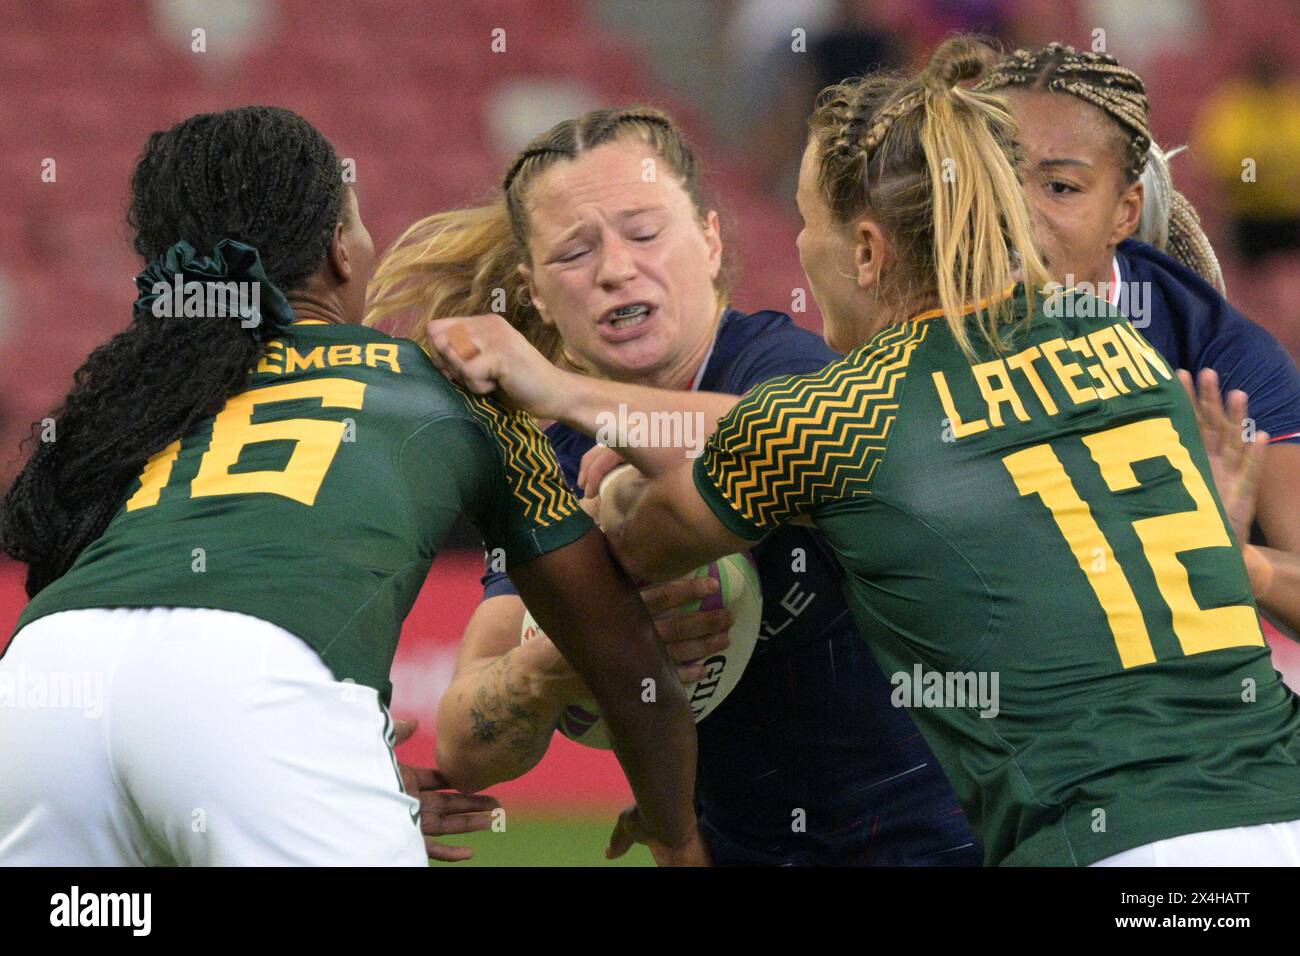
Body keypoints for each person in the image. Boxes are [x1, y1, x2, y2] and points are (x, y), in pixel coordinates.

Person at [426, 36, 1300, 867]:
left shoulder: (836, 404)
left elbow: (651, 537)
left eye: (807, 223)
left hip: (1105, 848)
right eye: (578, 251)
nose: (801, 250)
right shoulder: (1121, 358)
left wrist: (566, 414)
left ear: (868, 250)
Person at [0, 106, 702, 867]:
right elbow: (620, 652)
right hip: (256, 698)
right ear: (339, 249)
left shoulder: (149, 399)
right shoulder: (456, 389)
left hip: (39, 697)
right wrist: (676, 832)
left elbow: (156, 674)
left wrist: (313, 770)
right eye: (358, 226)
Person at [370, 106, 981, 865]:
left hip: (942, 844)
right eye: (574, 252)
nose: (616, 269)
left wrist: (567, 394)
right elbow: (464, 742)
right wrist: (557, 664)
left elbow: (798, 435)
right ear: (530, 291)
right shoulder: (545, 454)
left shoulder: (781, 369)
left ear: (712, 239)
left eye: (645, 231)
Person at [976, 42, 1300, 634]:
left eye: (1060, 188)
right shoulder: (922, 320)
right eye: (994, 179)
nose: (1014, 215)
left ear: (1125, 213)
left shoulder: (1222, 363)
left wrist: (1236, 558)